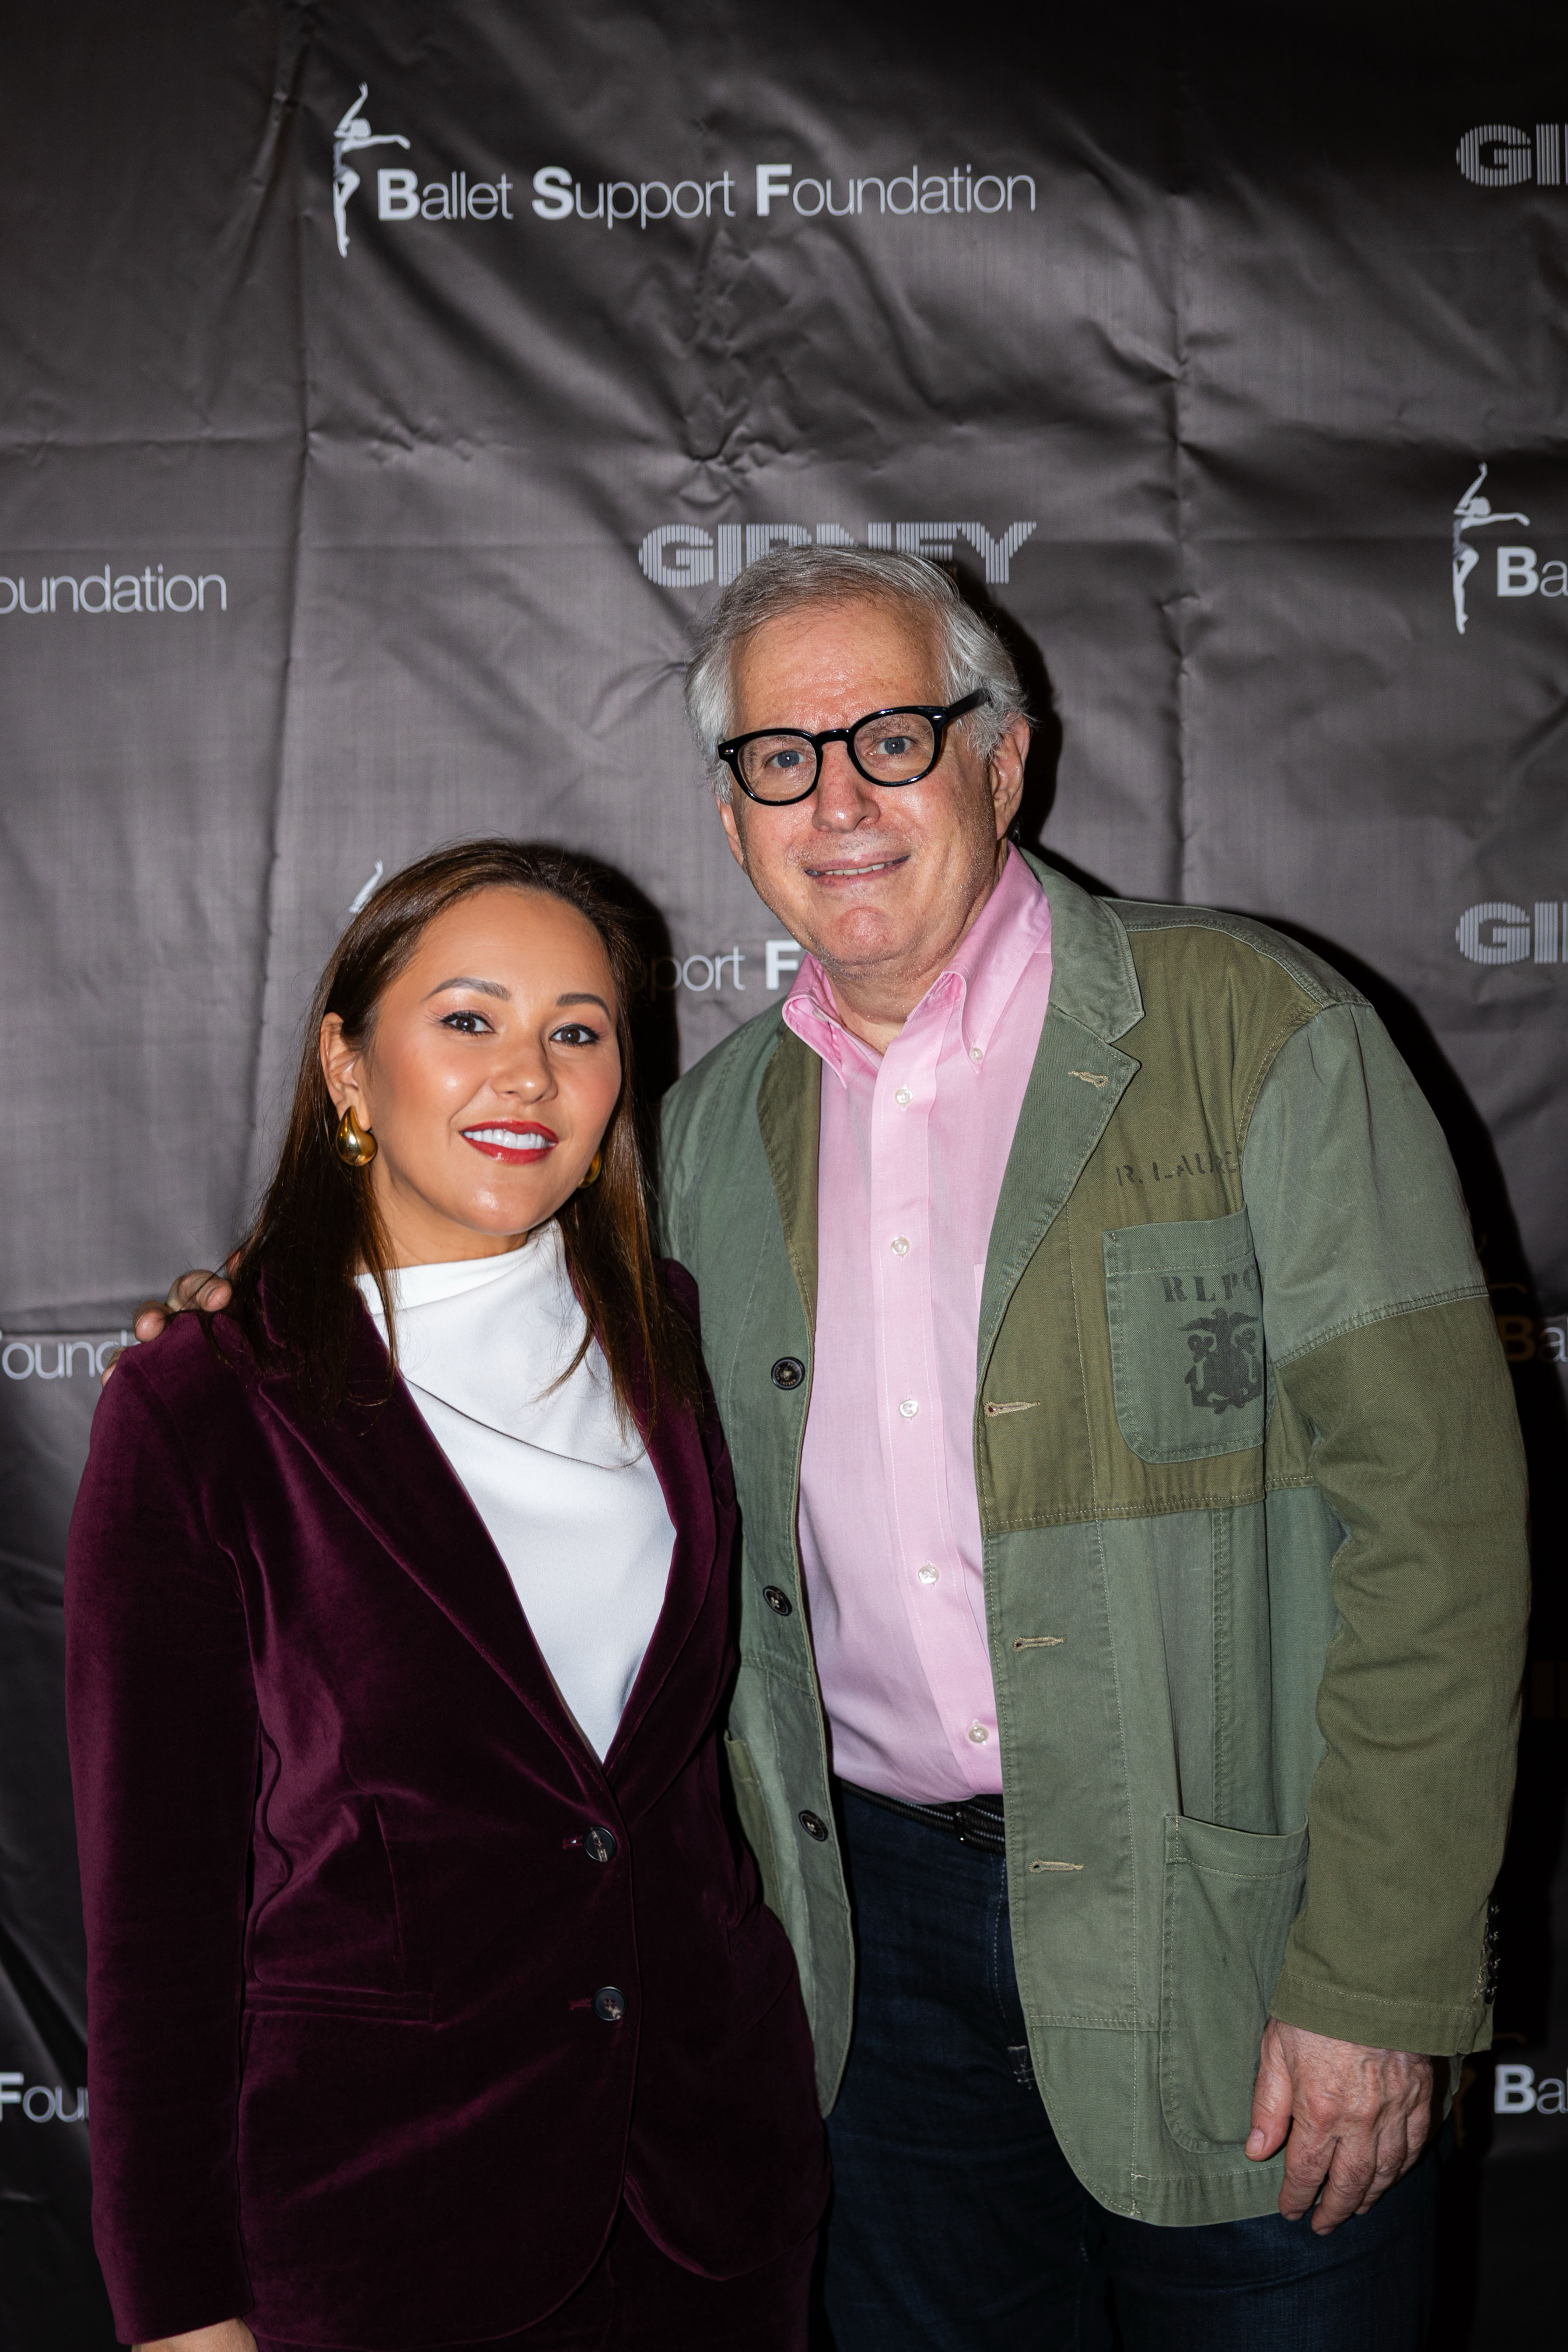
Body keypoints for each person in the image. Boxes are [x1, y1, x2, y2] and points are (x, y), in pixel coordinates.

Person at [135, 550, 1530, 2350]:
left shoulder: (1256, 1031)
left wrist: (1377, 1979)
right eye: (781, 759)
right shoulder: (699, 1139)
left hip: (1239, 1939)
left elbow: (1440, 1535)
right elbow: (459, 1287)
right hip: (863, 1971)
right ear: (732, 819)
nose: (840, 800)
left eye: (892, 737)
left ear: (1002, 762)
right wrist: (243, 1313)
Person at [67, 841, 827, 2352]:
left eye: (577, 1030)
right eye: (468, 1019)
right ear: (349, 1067)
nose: (527, 1076)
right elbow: (155, 1924)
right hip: (387, 2226)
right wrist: (178, 2311)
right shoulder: (203, 1407)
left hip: (710, 2213)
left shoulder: (674, 1337)